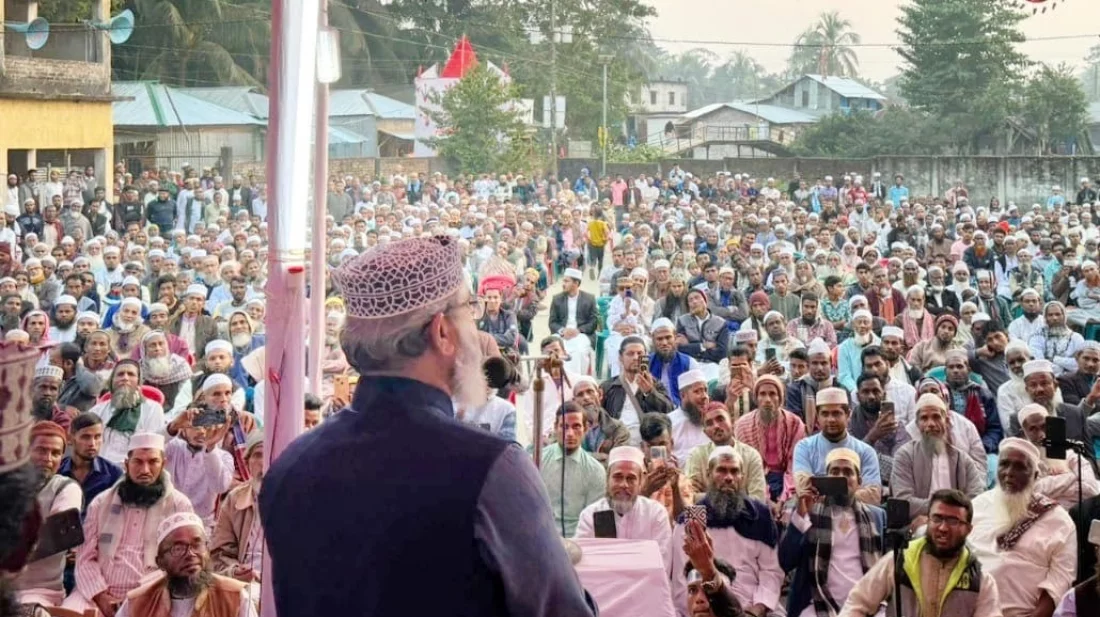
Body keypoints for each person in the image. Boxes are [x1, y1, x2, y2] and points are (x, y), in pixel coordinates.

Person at [261, 236, 598, 616]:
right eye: (469, 310)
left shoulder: (289, 468)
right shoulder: (491, 469)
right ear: (441, 332)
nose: (474, 328)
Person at [64, 432, 195, 615]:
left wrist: (138, 597)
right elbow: (84, 557)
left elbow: (183, 561)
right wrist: (102, 598)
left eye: (152, 462)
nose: (145, 470)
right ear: (126, 464)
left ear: (163, 464)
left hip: (153, 594)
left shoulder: (179, 505)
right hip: (95, 594)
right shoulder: (101, 502)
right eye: (138, 462)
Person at [839, 489, 1001, 617]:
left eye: (953, 521)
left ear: (968, 529)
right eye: (937, 518)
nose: (943, 528)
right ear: (927, 520)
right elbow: (857, 604)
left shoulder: (980, 579)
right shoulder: (898, 561)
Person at [669, 447, 783, 617]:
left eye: (734, 471)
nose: (728, 478)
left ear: (742, 477)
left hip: (754, 606)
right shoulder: (692, 518)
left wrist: (758, 608)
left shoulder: (760, 515)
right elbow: (681, 579)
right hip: (707, 605)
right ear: (708, 475)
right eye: (721, 470)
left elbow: (772, 571)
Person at [968, 438, 1076, 617]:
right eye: (1004, 464)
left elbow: (1059, 583)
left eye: (1019, 467)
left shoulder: (1060, 522)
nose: (1009, 473)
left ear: (1035, 476)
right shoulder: (977, 506)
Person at [779, 448, 886, 617]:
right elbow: (785, 561)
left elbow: (883, 568)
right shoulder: (808, 510)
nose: (841, 476)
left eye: (848, 472)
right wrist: (802, 516)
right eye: (834, 471)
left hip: (866, 603)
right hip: (816, 603)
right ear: (826, 478)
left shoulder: (876, 516)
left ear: (859, 481)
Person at [115, 511, 257, 617]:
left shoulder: (234, 597)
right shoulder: (138, 603)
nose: (190, 554)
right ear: (160, 562)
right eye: (178, 548)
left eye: (197, 545)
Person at [12, 421, 84, 607]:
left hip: (38, 592)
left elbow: (58, 533)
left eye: (55, 453)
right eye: (41, 450)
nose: (48, 458)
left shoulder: (66, 488)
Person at [574, 446, 672, 569]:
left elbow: (662, 564)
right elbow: (583, 563)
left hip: (645, 586)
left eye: (631, 479)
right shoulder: (590, 515)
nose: (623, 485)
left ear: (641, 482)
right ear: (607, 479)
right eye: (618, 477)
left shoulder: (656, 514)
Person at [891, 393, 987, 516]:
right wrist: (951, 508)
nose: (930, 424)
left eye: (936, 417)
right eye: (924, 418)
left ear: (946, 421)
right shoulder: (905, 456)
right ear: (917, 425)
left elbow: (976, 499)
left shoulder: (963, 460)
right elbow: (903, 501)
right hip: (920, 523)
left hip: (956, 523)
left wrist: (947, 512)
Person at [793, 388, 883, 505]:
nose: (831, 420)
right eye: (825, 414)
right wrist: (850, 493)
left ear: (848, 415)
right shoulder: (804, 448)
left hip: (857, 517)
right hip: (817, 517)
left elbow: (873, 496)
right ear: (817, 416)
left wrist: (825, 493)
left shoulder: (865, 451)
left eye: (836, 413)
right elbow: (804, 489)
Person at [163, 394, 235, 533]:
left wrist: (211, 447)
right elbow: (146, 448)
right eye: (195, 426)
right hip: (167, 521)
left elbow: (220, 486)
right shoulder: (173, 447)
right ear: (184, 429)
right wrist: (173, 427)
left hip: (203, 527)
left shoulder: (224, 457)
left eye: (207, 427)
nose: (202, 432)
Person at [734, 375, 805, 505]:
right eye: (762, 394)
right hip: (755, 481)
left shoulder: (795, 423)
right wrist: (766, 499)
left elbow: (794, 465)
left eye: (773, 394)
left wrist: (784, 499)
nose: (767, 400)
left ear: (780, 398)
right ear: (755, 398)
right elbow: (748, 469)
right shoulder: (742, 425)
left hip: (787, 480)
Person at [541, 402, 607, 536]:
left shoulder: (595, 471)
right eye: (564, 427)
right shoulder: (537, 461)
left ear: (586, 428)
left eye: (576, 426)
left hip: (579, 540)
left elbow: (593, 520)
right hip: (542, 537)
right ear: (555, 427)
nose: (570, 433)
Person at [210, 435, 264, 598]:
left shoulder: (300, 498)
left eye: (271, 454)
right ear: (247, 463)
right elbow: (219, 556)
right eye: (258, 455)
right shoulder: (235, 499)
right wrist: (234, 572)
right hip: (245, 588)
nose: (265, 462)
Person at [1017, 404, 1100, 509]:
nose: (1041, 434)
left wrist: (1053, 490)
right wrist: (1071, 476)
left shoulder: (1071, 456)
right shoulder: (1021, 464)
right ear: (1024, 433)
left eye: (1044, 426)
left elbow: (1091, 489)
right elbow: (1032, 492)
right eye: (1033, 429)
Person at [88, 360, 167, 464]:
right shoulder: (97, 410)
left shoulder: (152, 409)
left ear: (139, 381)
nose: (125, 378)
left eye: (131, 374)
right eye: (120, 374)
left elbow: (153, 446)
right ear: (112, 381)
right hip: (100, 470)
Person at [600, 336, 675, 445]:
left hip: (646, 443)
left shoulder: (656, 385)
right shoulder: (609, 386)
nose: (635, 357)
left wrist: (650, 392)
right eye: (630, 354)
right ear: (621, 357)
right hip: (618, 443)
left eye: (640, 354)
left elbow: (668, 411)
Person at [59, 412, 123, 515]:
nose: (92, 444)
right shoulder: (58, 471)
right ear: (70, 439)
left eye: (97, 437)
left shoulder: (114, 474)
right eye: (85, 437)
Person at [649, 317, 701, 407]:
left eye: (668, 337)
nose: (664, 343)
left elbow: (698, 394)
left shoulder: (689, 363)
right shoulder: (645, 362)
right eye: (659, 339)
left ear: (675, 337)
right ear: (653, 340)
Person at [1029, 301, 1084, 377]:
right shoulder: (1037, 336)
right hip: (1044, 377)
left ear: (1064, 316)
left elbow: (1079, 364)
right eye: (1050, 315)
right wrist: (1063, 367)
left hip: (1071, 380)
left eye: (1058, 314)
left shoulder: (1076, 338)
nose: (1054, 318)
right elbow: (1039, 363)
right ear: (1045, 317)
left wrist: (1055, 359)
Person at [676, 288, 729, 365]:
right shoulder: (682, 321)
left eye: (697, 298)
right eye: (690, 300)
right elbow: (680, 349)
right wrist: (703, 346)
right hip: (690, 363)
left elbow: (722, 353)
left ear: (705, 300)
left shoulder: (720, 323)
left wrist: (690, 346)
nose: (694, 302)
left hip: (713, 364)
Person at [1058, 341, 1100, 406]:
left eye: (1095, 360)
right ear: (1077, 359)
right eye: (1086, 358)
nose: (1090, 364)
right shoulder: (1065, 381)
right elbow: (1075, 409)